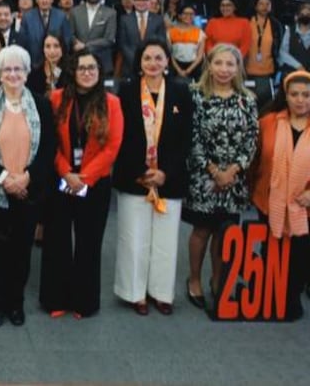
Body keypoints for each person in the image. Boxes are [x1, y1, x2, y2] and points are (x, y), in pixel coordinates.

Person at [0, 45, 55, 328]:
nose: (13, 74)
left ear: (26, 72)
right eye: (7, 69)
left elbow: (48, 149)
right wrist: (4, 178)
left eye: (18, 68)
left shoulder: (42, 105)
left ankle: (15, 303)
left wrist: (27, 178)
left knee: (22, 252)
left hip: (28, 191)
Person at [40, 49, 123, 318]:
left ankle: (84, 302)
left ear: (100, 73)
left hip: (95, 182)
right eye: (82, 68)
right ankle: (56, 299)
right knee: (57, 240)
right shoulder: (55, 99)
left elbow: (112, 146)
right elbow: (48, 142)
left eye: (92, 68)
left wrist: (85, 177)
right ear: (73, 72)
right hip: (61, 179)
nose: (87, 72)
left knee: (89, 243)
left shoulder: (112, 103)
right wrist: (66, 173)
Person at [113, 39, 192, 315]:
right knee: (133, 239)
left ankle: (161, 293)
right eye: (147, 58)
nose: (153, 63)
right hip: (134, 177)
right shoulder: (127, 90)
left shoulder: (181, 92)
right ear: (140, 62)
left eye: (159, 58)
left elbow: (185, 139)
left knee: (167, 241)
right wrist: (141, 171)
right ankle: (135, 293)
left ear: (167, 61)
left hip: (168, 178)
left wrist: (164, 172)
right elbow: (120, 136)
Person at [183, 44, 258, 308]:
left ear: (238, 68)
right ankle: (194, 280)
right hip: (204, 177)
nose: (224, 69)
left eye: (230, 64)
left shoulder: (247, 98)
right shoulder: (195, 95)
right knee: (202, 229)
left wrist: (233, 171)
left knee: (223, 233)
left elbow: (252, 140)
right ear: (209, 65)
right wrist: (214, 171)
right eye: (219, 63)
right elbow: (191, 139)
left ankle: (217, 281)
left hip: (234, 180)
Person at [250, 70, 310, 320]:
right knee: (272, 250)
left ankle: (291, 298)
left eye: (306, 95)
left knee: (299, 255)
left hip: (304, 206)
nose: (300, 100)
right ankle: (268, 297)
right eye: (294, 94)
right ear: (285, 96)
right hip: (269, 200)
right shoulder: (269, 122)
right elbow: (255, 159)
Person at [117, 0, 167, 79]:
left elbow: (161, 42)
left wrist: (148, 59)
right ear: (133, 1)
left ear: (149, 2)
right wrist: (137, 60)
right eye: (138, 0)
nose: (141, 2)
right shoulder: (124, 19)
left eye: (145, 0)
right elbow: (122, 44)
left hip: (152, 66)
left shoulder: (158, 20)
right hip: (130, 66)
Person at [246, 0, 283, 108]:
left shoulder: (276, 25)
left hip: (267, 70)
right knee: (248, 102)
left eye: (268, 4)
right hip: (246, 70)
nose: (264, 7)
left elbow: (279, 48)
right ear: (255, 6)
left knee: (264, 104)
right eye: (261, 4)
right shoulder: (247, 22)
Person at [168, 5, 206, 82]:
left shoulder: (200, 33)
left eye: (191, 14)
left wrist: (188, 70)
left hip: (194, 66)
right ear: (179, 15)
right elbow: (169, 53)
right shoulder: (170, 32)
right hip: (175, 65)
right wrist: (179, 70)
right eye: (185, 13)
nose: (188, 16)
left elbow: (200, 56)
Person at [278, 2, 310, 76]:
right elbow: (283, 52)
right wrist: (298, 65)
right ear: (297, 16)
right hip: (291, 73)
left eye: (308, 15)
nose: (305, 16)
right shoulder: (290, 31)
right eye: (302, 15)